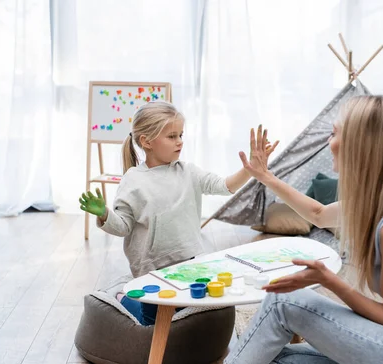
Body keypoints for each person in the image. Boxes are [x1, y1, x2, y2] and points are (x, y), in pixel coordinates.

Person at [165, 95, 383, 364]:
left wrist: (329, 280)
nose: (328, 143)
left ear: (362, 144)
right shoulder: (381, 201)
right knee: (267, 359)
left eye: (334, 133)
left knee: (283, 302)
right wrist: (264, 176)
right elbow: (318, 214)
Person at [79, 101, 278, 325]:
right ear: (147, 141)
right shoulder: (134, 180)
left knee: (188, 318)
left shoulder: (188, 172)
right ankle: (125, 299)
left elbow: (225, 186)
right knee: (153, 323)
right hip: (151, 271)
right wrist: (104, 214)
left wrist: (249, 168)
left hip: (189, 263)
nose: (180, 142)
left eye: (181, 135)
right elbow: (123, 226)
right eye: (172, 136)